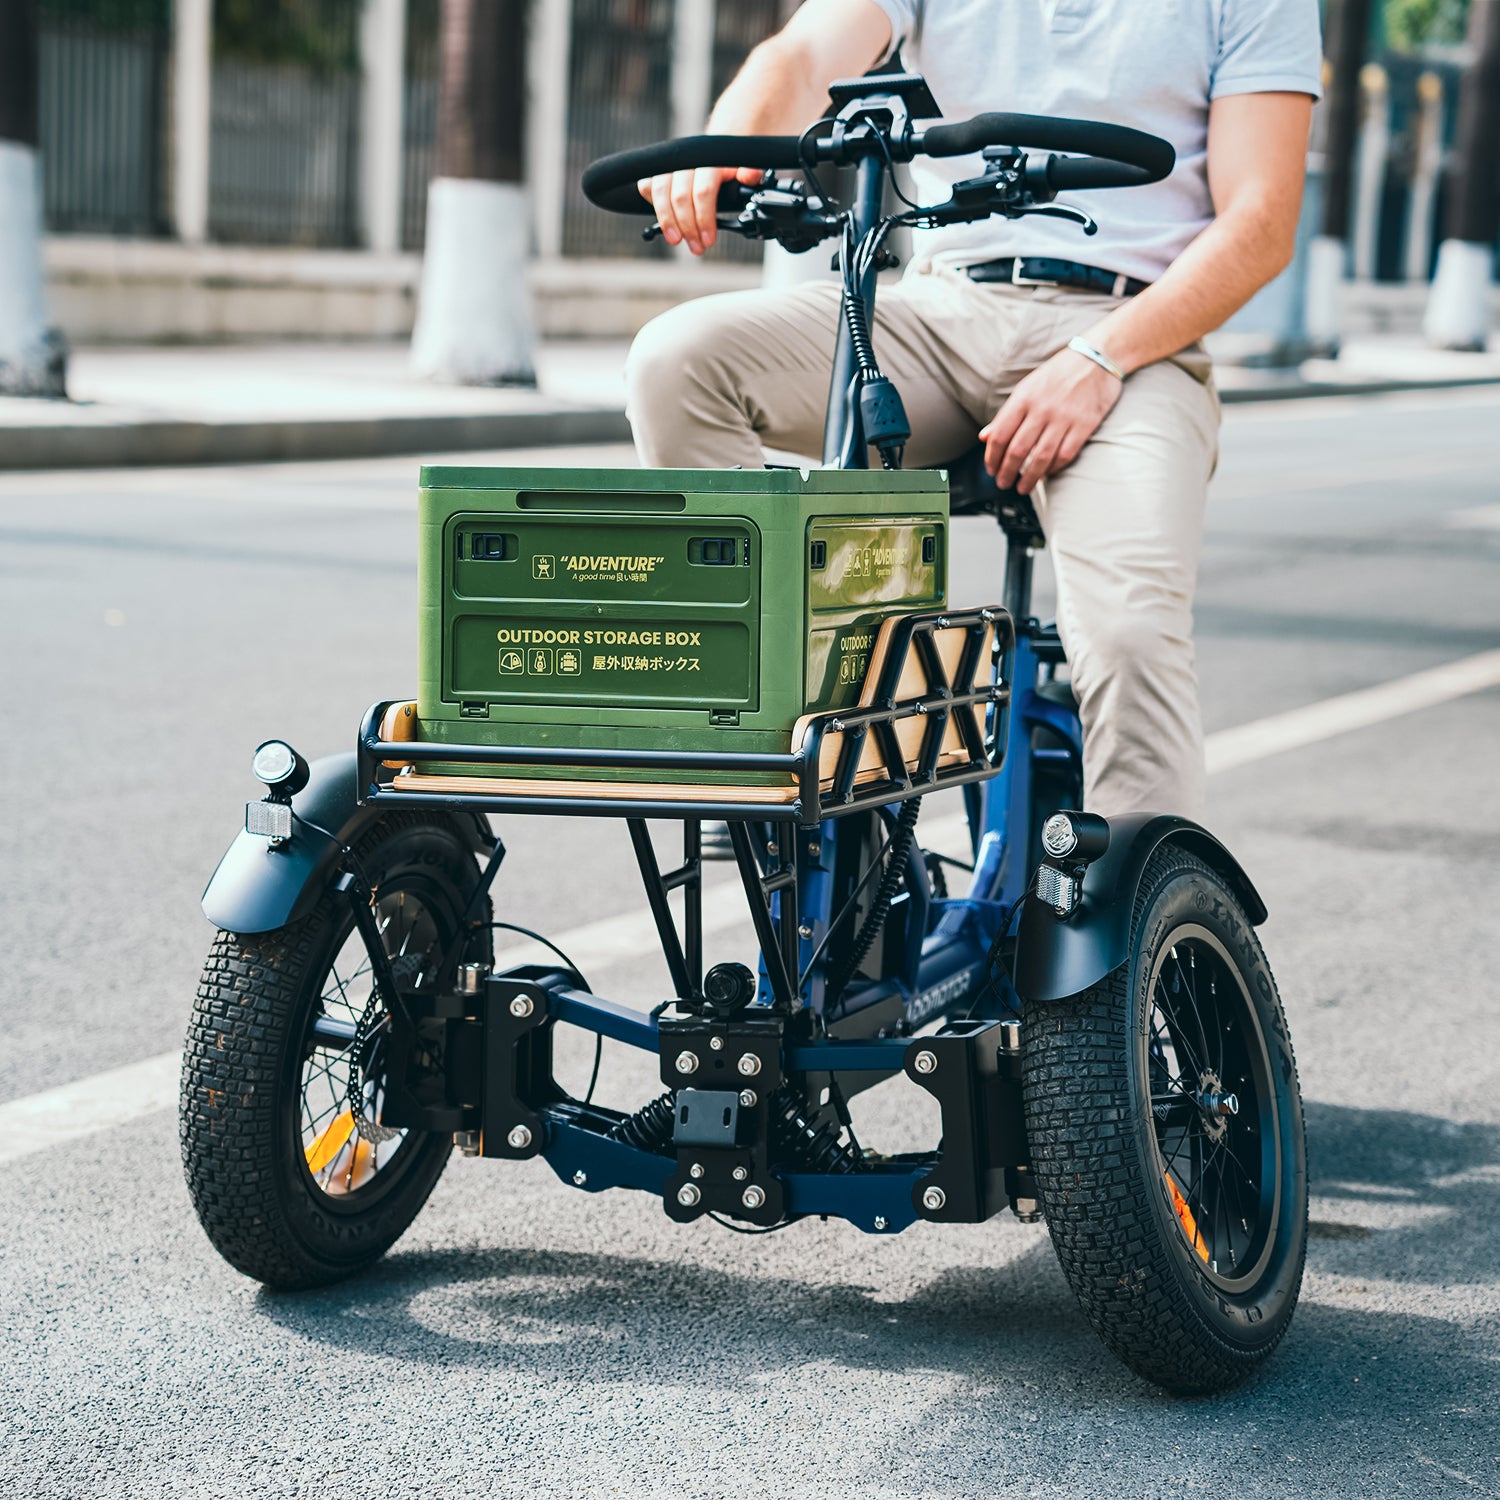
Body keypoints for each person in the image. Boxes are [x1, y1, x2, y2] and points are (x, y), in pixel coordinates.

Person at [625, 0, 1322, 819]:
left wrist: (1098, 358)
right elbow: (806, 52)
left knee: (1131, 636)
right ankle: (766, 737)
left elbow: (1262, 221)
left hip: (1135, 338)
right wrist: (729, 140)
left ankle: (1147, 918)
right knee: (677, 360)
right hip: (942, 311)